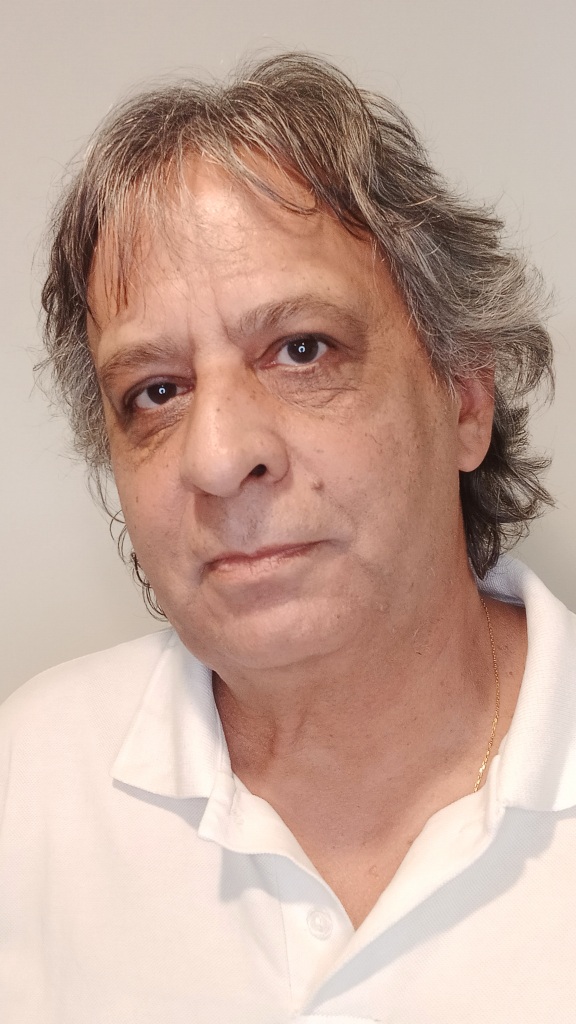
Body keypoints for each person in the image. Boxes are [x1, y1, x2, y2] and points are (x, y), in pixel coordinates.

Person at [1, 52, 574, 1023]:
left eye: (302, 350)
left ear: (465, 399)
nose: (220, 457)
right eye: (156, 391)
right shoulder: (34, 778)